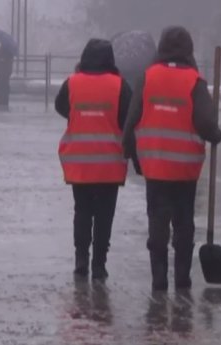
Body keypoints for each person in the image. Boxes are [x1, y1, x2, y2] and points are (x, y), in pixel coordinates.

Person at [123, 26, 221, 291]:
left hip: (154, 167)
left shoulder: (148, 78)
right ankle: (182, 279)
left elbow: (131, 120)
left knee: (157, 221)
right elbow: (205, 122)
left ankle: (158, 279)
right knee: (183, 222)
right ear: (189, 50)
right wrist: (216, 134)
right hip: (185, 169)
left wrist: (132, 156)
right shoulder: (195, 82)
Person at [55, 38, 138, 279]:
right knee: (104, 214)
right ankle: (99, 264)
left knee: (82, 211)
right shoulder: (120, 85)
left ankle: (81, 258)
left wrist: (80, 117)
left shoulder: (72, 83)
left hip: (79, 162)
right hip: (109, 164)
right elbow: (128, 117)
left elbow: (61, 106)